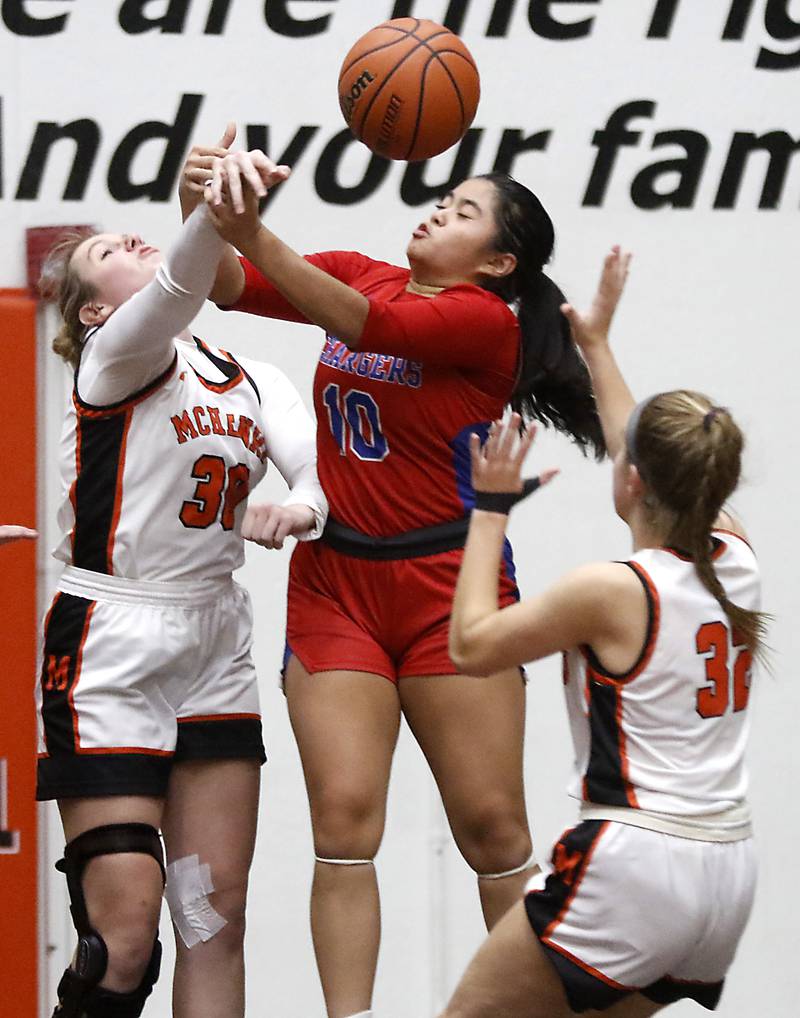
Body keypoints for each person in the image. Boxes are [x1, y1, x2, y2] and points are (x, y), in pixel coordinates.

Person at [179, 135, 607, 1018]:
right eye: (441, 198)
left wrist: (254, 233)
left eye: (462, 212)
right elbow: (223, 283)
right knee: (343, 824)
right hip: (338, 582)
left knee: (495, 830)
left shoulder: (486, 321)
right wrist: (203, 208)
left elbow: (368, 328)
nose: (437, 210)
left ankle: (517, 1008)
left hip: (450, 587)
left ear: (498, 261)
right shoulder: (356, 271)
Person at [440, 247, 764, 1017]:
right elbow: (639, 452)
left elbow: (470, 646)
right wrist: (597, 343)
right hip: (726, 874)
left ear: (632, 483)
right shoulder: (736, 552)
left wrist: (489, 508)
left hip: (636, 858)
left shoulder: (613, 591)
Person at [37, 190, 326, 1018]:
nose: (126, 240)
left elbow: (312, 479)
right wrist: (213, 208)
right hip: (111, 639)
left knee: (211, 921)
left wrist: (297, 510)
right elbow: (177, 288)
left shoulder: (251, 378)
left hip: (213, 641)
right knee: (120, 942)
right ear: (94, 308)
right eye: (105, 253)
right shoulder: (113, 356)